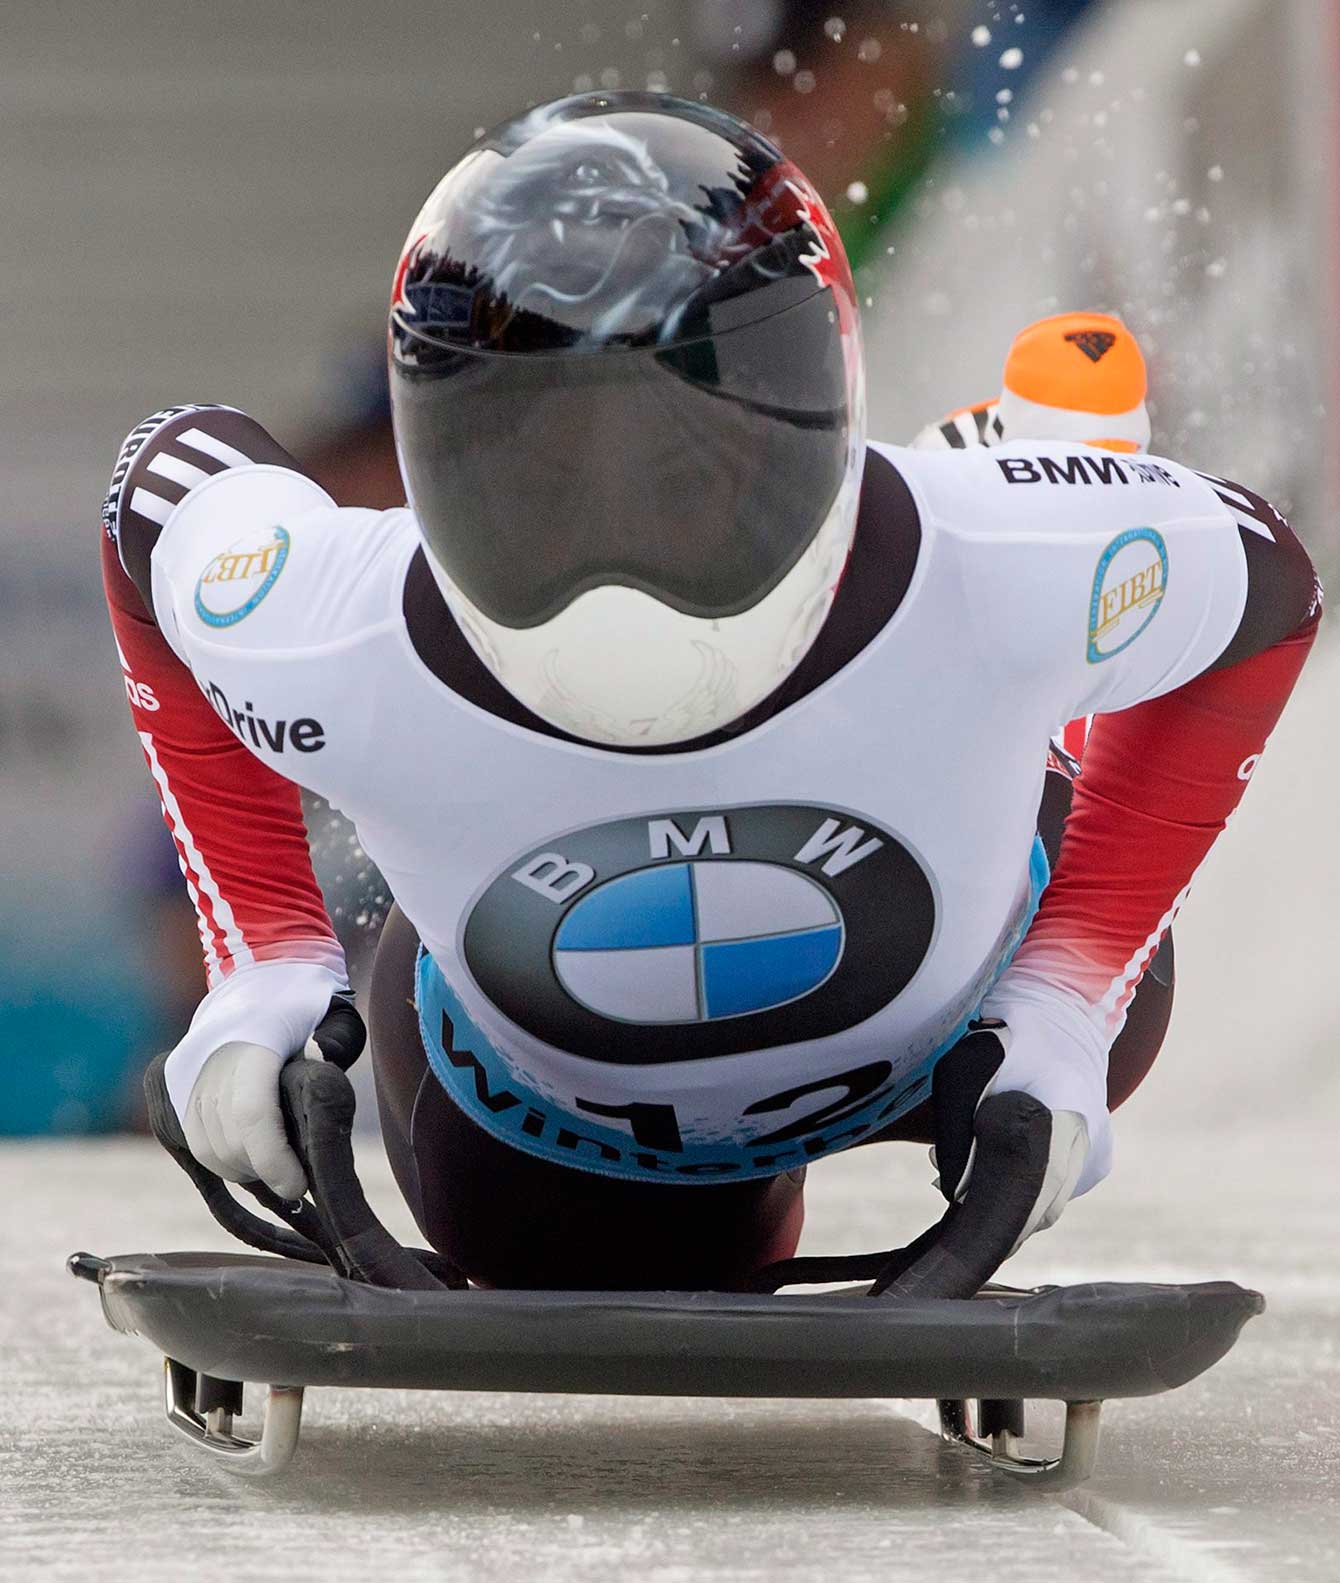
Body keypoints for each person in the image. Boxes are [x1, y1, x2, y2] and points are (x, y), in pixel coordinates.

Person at [101, 93, 1320, 1290]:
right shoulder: (335, 618)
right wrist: (264, 956)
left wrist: (1066, 993)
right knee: (534, 1255)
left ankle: (1036, 529)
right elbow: (157, 491)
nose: (618, 550)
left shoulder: (990, 563)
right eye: (542, 477)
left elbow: (1265, 593)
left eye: (682, 469)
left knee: (1113, 1014)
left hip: (966, 1004)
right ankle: (1033, 514)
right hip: (561, 1107)